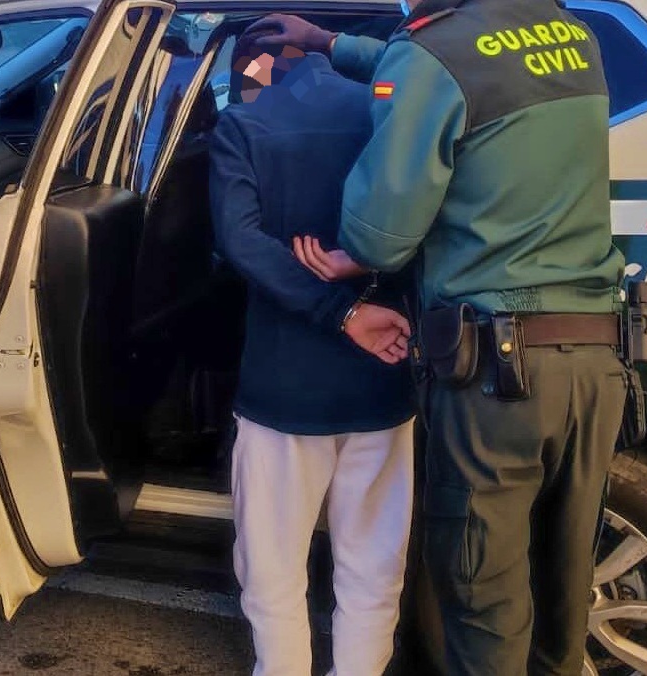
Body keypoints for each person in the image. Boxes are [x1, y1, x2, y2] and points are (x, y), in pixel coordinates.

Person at [251, 1, 629, 674]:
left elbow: (382, 231)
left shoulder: (433, 53)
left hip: (502, 380)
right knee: (563, 591)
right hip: (598, 362)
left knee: (483, 595)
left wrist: (351, 259)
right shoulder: (574, 35)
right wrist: (330, 42)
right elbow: (455, 69)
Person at [209, 28, 416, 676]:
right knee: (373, 570)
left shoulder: (242, 125)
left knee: (272, 571)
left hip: (282, 393)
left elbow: (240, 243)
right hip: (381, 382)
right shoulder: (384, 117)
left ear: (256, 69)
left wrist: (337, 310)